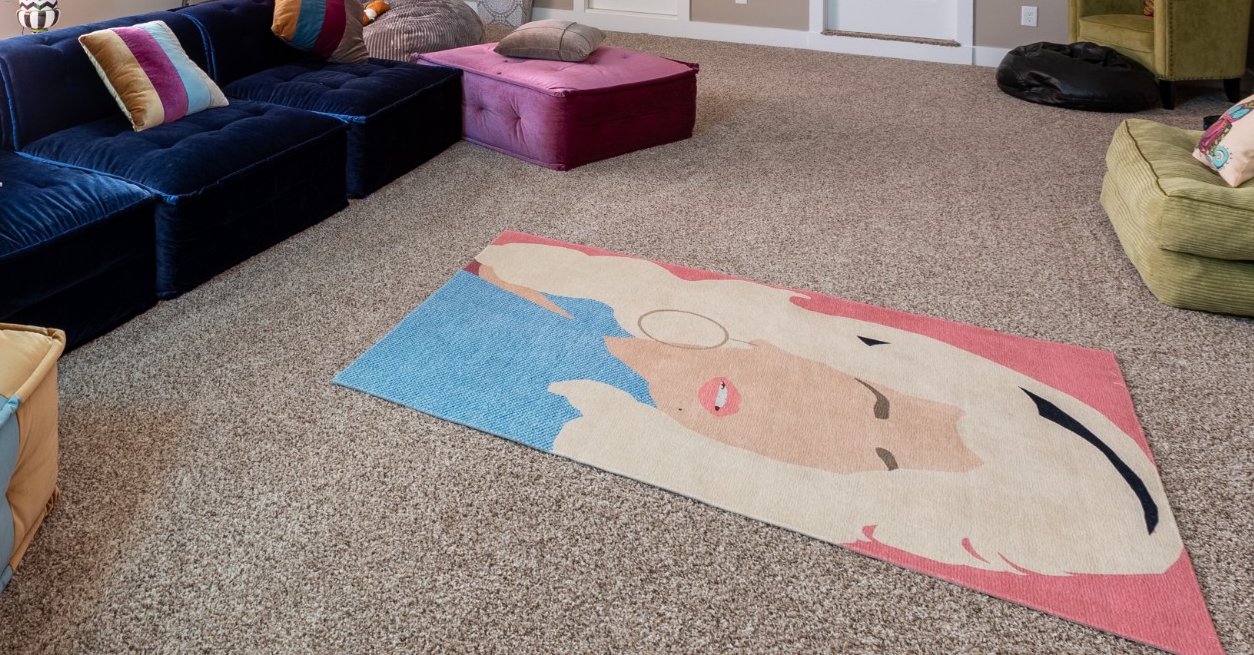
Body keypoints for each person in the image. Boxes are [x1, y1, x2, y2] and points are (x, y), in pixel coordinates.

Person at [465, 239, 1182, 578]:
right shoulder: (673, 300)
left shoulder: (570, 415)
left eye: (881, 462)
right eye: (875, 406)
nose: (818, 430)